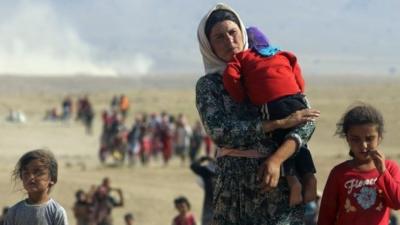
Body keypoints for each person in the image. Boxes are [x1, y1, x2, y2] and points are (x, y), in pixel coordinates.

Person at [196, 3, 320, 224]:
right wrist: (276, 124)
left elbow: (306, 119)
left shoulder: (268, 67)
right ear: (208, 46)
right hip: (235, 192)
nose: (229, 41)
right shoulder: (209, 85)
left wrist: (276, 159)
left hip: (281, 185)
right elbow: (220, 132)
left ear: (242, 32)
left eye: (233, 33)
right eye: (219, 38)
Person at [223, 25, 317, 205]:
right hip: (296, 100)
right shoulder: (283, 54)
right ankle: (309, 177)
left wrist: (241, 95)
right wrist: (297, 93)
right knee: (298, 141)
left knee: (278, 139)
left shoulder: (242, 57)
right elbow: (297, 72)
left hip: (272, 105)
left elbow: (230, 76)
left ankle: (293, 181)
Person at [317, 103, 400, 225]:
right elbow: (326, 216)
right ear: (347, 139)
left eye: (369, 138)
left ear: (379, 137)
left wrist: (383, 172)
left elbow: (397, 202)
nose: (363, 145)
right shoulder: (339, 173)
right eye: (356, 139)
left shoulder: (390, 168)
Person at [4, 149, 68, 225]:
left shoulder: (56, 212)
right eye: (26, 173)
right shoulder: (14, 212)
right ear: (21, 177)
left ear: (52, 179)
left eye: (38, 172)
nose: (31, 177)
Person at [190, 156, 216, 225]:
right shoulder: (207, 171)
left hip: (210, 205)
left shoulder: (207, 171)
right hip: (213, 205)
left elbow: (193, 166)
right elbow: (193, 166)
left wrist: (203, 158)